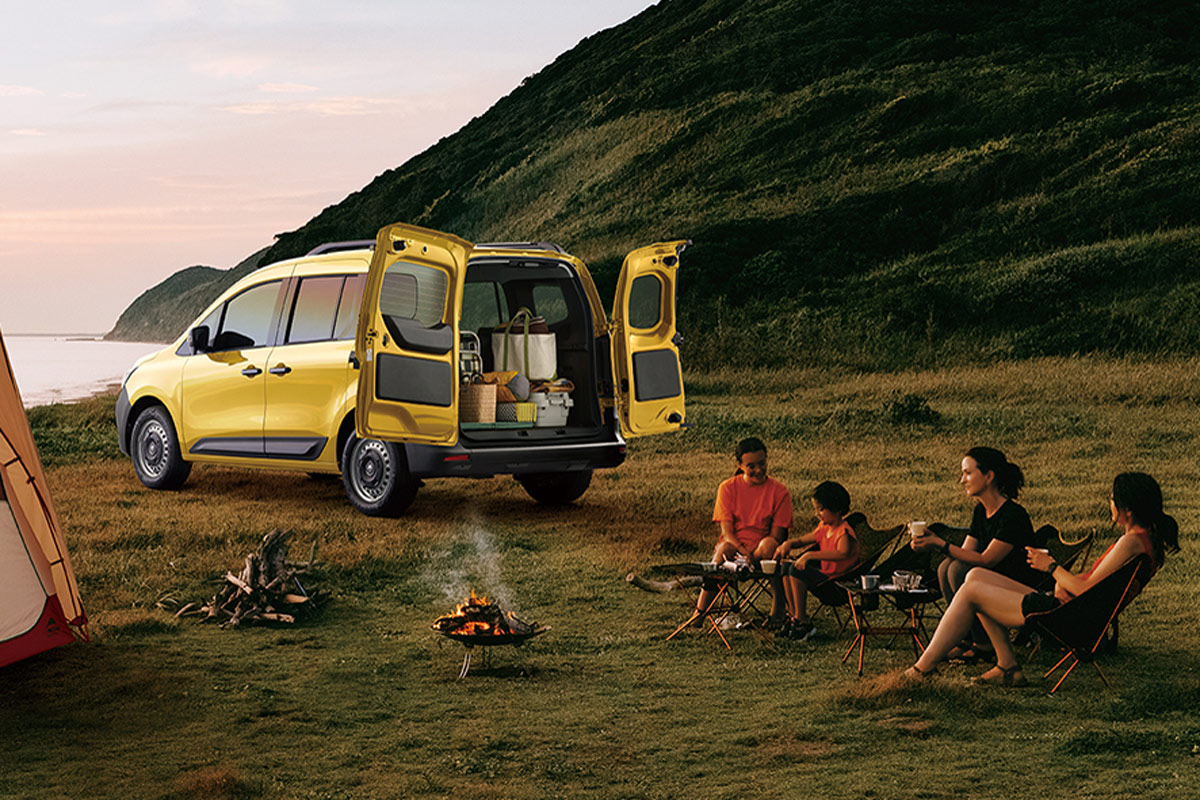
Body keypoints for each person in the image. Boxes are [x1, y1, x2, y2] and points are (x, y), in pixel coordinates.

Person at [905, 472, 1179, 686]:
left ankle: (923, 668)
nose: (1109, 501)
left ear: (1127, 509)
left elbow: (1084, 589)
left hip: (1068, 616)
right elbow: (1094, 588)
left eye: (1112, 497)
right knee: (976, 576)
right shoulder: (1148, 541)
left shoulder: (1131, 542)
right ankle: (1006, 667)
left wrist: (1051, 567)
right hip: (1070, 607)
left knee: (972, 591)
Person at [910, 446, 1041, 661]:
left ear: (989, 476)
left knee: (957, 571)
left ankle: (984, 644)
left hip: (1018, 584)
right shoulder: (981, 511)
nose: (963, 480)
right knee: (946, 568)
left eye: (968, 473)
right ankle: (969, 639)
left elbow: (987, 559)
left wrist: (940, 545)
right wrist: (931, 540)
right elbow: (966, 552)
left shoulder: (1012, 515)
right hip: (989, 576)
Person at [694, 437, 793, 626]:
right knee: (724, 548)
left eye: (762, 464)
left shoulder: (779, 491)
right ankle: (698, 614)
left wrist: (752, 555)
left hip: (763, 552)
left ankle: (778, 611)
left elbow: (778, 535)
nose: (758, 470)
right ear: (739, 465)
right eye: (751, 466)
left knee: (770, 544)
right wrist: (743, 552)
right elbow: (727, 532)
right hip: (735, 549)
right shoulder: (728, 488)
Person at [774, 481, 860, 641]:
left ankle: (803, 621)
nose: (817, 514)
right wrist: (789, 543)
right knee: (786, 567)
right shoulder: (824, 527)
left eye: (821, 509)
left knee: (797, 569)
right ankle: (793, 616)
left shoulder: (843, 532)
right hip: (825, 576)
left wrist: (809, 556)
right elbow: (802, 540)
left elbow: (843, 553)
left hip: (836, 582)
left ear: (837, 509)